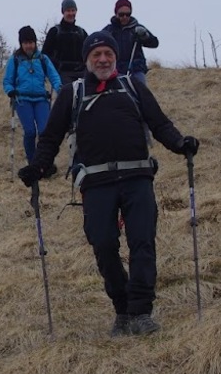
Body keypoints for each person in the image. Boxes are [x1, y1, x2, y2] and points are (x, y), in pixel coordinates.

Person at [18, 31, 198, 337]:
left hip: (138, 177)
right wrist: (38, 167)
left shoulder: (133, 87)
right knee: (103, 244)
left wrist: (181, 144)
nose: (103, 60)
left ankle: (140, 312)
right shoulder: (72, 94)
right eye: (97, 55)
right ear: (87, 59)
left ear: (115, 57)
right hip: (96, 182)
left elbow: (160, 124)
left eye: (108, 54)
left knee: (143, 243)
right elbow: (50, 138)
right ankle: (122, 308)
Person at [2, 26, 61, 163]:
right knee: (30, 132)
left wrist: (59, 89)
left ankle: (44, 161)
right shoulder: (15, 60)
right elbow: (7, 81)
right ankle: (32, 162)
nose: (29, 46)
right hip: (22, 100)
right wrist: (10, 91)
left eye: (31, 42)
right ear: (21, 44)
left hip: (41, 99)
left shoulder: (43, 59)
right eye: (25, 43)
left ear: (35, 42)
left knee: (44, 132)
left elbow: (54, 77)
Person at [102, 0, 158, 87]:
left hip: (136, 69)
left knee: (142, 91)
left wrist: (145, 36)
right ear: (116, 13)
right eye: (121, 14)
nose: (125, 17)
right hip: (115, 70)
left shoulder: (137, 28)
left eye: (128, 14)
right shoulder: (109, 31)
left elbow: (154, 43)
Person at [43, 0, 88, 84]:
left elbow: (89, 52)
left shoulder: (81, 32)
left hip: (81, 74)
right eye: (68, 10)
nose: (71, 13)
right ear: (63, 12)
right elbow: (45, 55)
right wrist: (57, 66)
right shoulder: (55, 31)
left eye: (73, 10)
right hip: (61, 74)